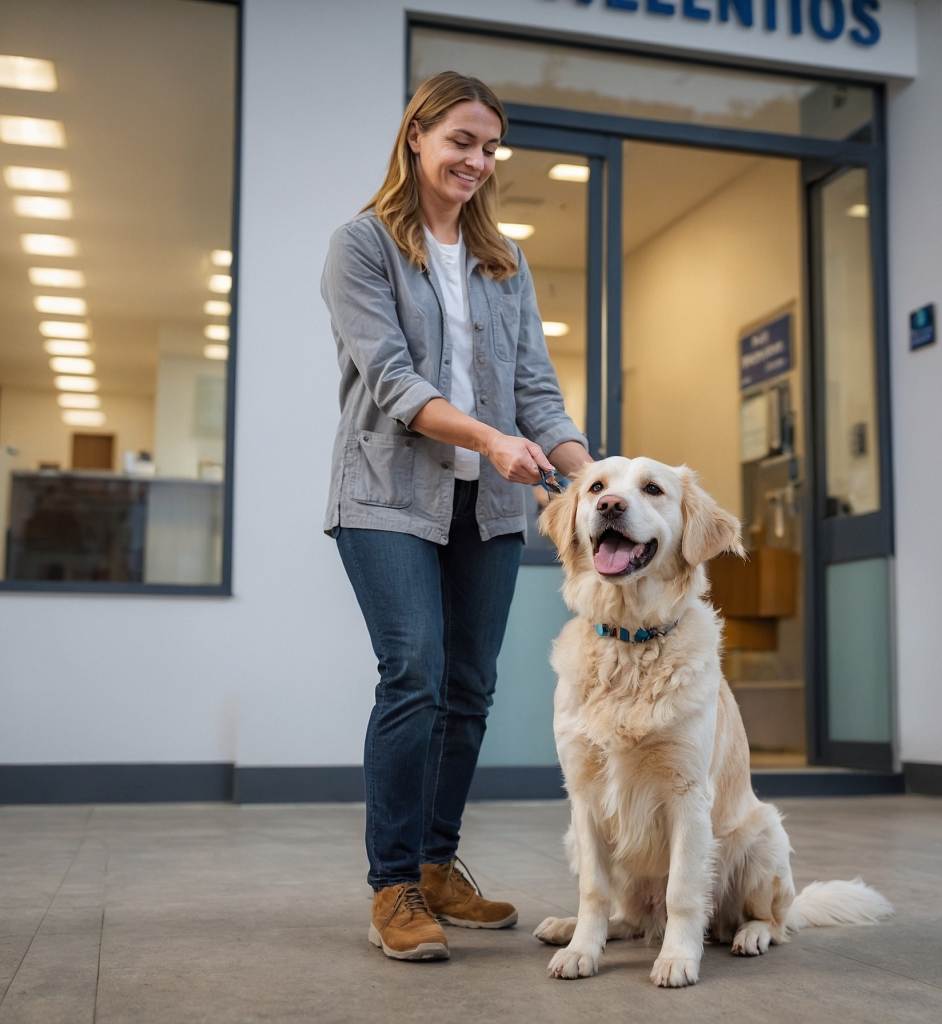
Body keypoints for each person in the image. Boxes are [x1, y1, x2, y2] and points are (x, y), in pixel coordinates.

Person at [320, 71, 592, 962]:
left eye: (489, 147)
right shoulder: (361, 247)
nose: (476, 160)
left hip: (494, 504)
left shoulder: (502, 261)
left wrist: (595, 480)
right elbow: (394, 383)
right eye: (461, 141)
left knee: (469, 690)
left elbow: (536, 394)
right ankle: (392, 886)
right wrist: (489, 439)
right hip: (388, 495)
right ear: (416, 138)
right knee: (416, 674)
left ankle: (438, 868)